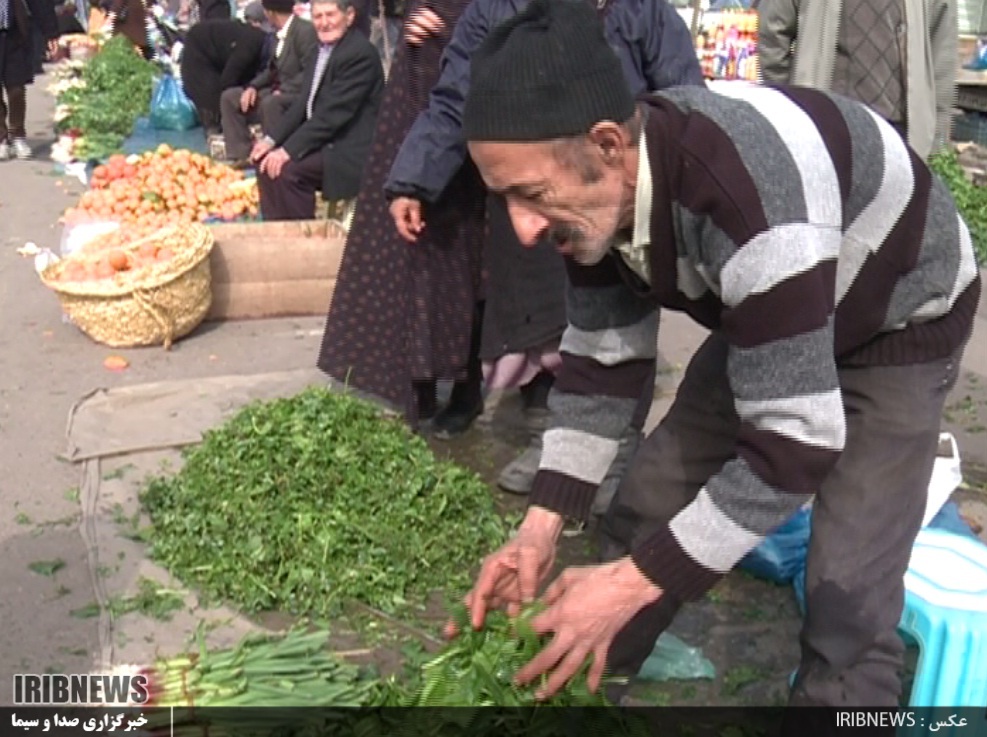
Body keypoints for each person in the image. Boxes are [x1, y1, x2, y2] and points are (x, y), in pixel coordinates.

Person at [456, 0, 982, 708]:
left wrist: (635, 580)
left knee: (847, 588)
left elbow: (795, 441)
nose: (521, 225)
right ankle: (585, 676)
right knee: (650, 496)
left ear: (608, 145)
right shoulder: (584, 207)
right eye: (503, 198)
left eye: (530, 194)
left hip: (896, 310)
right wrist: (539, 525)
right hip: (779, 303)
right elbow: (603, 364)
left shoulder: (743, 193)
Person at [322, 0, 703, 484]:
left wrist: (674, 177)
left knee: (620, 328)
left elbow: (682, 96)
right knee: (548, 329)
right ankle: (557, 445)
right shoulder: (495, 9)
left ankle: (617, 449)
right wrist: (413, 179)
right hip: (532, 198)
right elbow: (454, 97)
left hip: (612, 192)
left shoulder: (637, 9)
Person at [316, 1, 487, 427]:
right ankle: (419, 378)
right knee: (414, 235)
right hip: (422, 74)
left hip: (480, 60)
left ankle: (468, 384)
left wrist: (455, 25)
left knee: (467, 241)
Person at [757, 0, 958, 160]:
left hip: (899, 137)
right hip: (824, 127)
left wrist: (936, 143)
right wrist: (790, 108)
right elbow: (770, 35)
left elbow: (942, 55)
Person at [251, 0, 383, 220]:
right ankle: (278, 234)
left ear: (349, 16)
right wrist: (270, 140)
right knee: (264, 161)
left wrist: (288, 151)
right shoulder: (319, 51)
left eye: (330, 15)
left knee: (288, 171)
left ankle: (302, 242)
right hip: (326, 140)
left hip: (350, 148)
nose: (324, 23)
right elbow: (302, 104)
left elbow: (332, 116)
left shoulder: (360, 54)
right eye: (317, 16)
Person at [219, 0, 317, 164]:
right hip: (277, 89)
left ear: (269, 12)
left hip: (298, 93)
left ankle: (275, 155)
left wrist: (285, 89)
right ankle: (240, 154)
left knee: (271, 103)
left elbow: (310, 71)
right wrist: (252, 87)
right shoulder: (276, 34)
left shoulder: (304, 31)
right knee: (230, 97)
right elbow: (272, 70)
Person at [179, 6, 272, 136]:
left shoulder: (261, 42)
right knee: (212, 98)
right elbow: (229, 78)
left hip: (214, 50)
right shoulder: (252, 44)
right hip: (199, 51)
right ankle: (215, 135)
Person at [0, 0, 58, 161]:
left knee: (16, 88)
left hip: (15, 34)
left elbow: (39, 3)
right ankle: (2, 138)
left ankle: (18, 135)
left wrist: (50, 32)